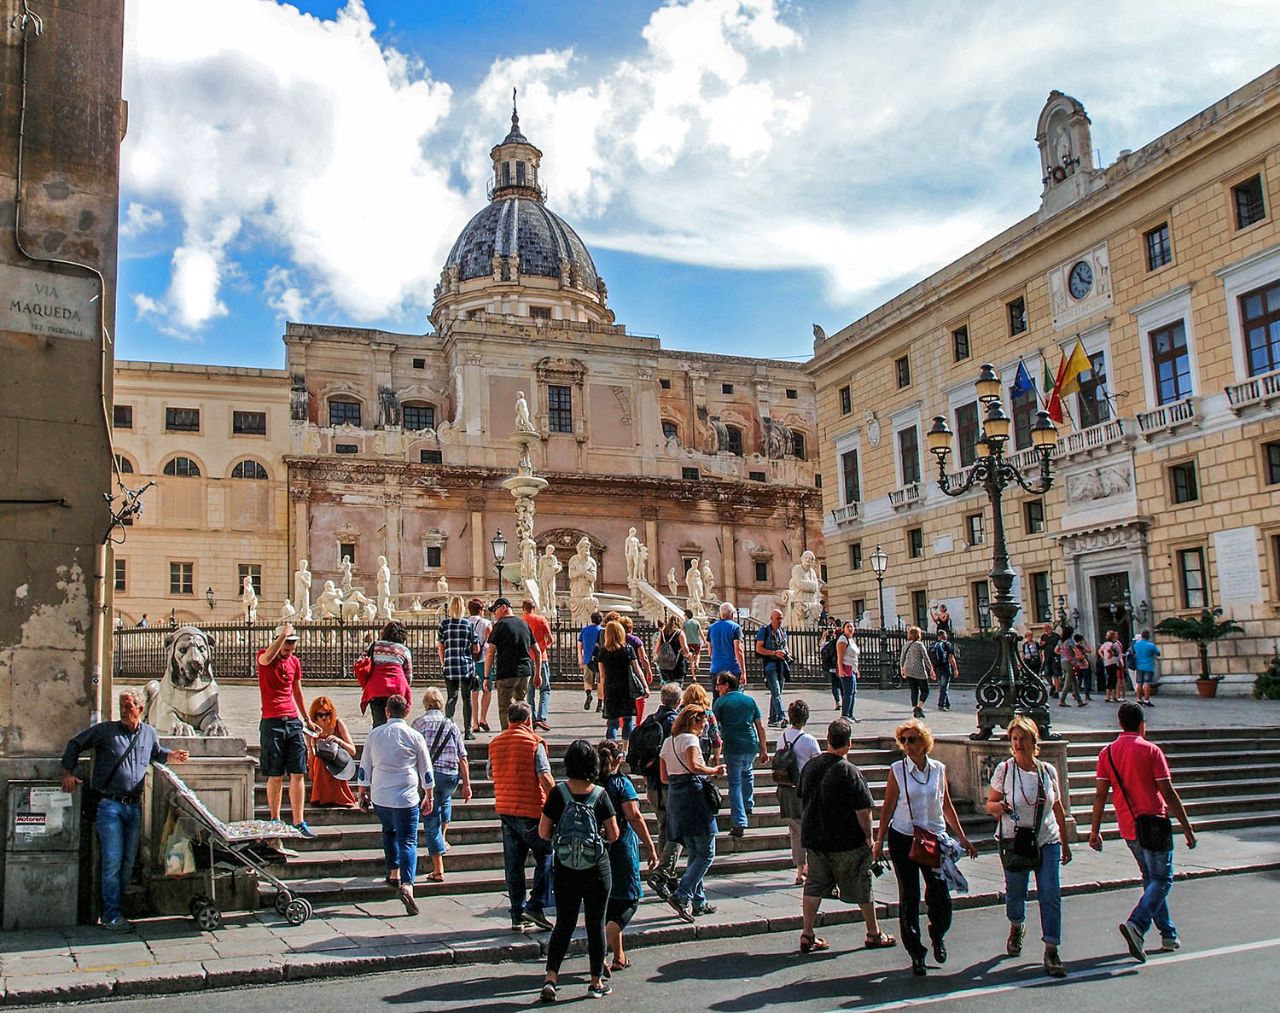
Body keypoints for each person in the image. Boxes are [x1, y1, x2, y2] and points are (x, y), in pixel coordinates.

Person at [61, 691, 189, 931]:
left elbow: (155, 753)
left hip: (134, 807)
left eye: (128, 706)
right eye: (121, 705)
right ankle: (110, 914)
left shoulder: (149, 733)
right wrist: (68, 772)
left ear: (140, 709)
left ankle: (117, 908)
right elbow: (75, 743)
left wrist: (171, 755)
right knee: (112, 861)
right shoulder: (106, 731)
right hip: (109, 806)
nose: (123, 710)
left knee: (129, 862)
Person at [1089, 701, 1196, 963]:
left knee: (1151, 879)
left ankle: (1168, 933)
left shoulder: (1107, 754)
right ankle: (1137, 924)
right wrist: (1187, 827)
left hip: (1129, 827)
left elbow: (1100, 796)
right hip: (1155, 824)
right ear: (1141, 724)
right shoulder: (1151, 751)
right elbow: (1168, 793)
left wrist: (1094, 831)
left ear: (1120, 723)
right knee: (1163, 879)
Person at [874, 719, 978, 977]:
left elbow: (946, 805)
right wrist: (879, 839)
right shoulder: (897, 770)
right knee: (908, 896)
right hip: (904, 837)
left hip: (933, 839)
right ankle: (916, 953)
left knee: (940, 895)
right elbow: (888, 806)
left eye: (912, 740)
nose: (907, 745)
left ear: (924, 743)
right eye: (904, 740)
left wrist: (962, 837)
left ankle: (937, 933)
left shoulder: (939, 769)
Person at [797, 718, 896, 954]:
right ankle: (873, 933)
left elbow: (802, 796)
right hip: (846, 840)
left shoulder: (810, 766)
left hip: (815, 837)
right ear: (849, 743)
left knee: (814, 886)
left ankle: (807, 933)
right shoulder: (850, 771)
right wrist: (869, 839)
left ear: (827, 739)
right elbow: (864, 812)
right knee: (862, 884)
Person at [985, 716, 1072, 977]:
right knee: (1015, 894)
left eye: (1023, 738)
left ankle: (1052, 948)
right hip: (1014, 841)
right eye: (1014, 739)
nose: (1019, 743)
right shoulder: (1005, 770)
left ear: (1034, 741)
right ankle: (1016, 924)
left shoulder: (1047, 771)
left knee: (1050, 894)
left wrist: (1065, 843)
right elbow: (990, 804)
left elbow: (1057, 807)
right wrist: (999, 808)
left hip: (1047, 839)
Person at [538, 740, 621, 1002]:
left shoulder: (558, 793)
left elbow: (543, 831)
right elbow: (614, 833)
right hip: (596, 867)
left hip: (565, 868)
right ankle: (595, 981)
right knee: (595, 922)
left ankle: (551, 978)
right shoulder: (600, 794)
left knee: (564, 922)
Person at [356, 694, 433, 915]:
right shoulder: (415, 736)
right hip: (407, 795)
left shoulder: (375, 735)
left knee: (388, 832)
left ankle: (393, 872)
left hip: (381, 795)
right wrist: (430, 795)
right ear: (407, 712)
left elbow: (364, 767)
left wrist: (362, 793)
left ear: (387, 712)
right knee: (408, 840)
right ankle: (408, 884)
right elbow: (425, 769)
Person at [491, 701, 556, 932]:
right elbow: (545, 777)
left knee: (514, 864)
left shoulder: (495, 743)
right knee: (547, 855)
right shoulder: (534, 743)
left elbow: (491, 772)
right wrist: (559, 802)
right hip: (531, 810)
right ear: (528, 721)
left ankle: (517, 914)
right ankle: (536, 904)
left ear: (509, 720)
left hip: (506, 810)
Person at [597, 739, 659, 973]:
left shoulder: (593, 782)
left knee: (611, 903)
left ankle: (619, 956)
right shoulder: (621, 783)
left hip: (598, 849)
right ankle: (599, 946)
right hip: (621, 846)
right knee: (631, 899)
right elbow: (634, 816)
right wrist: (651, 846)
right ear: (619, 760)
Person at [659, 708, 725, 922]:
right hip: (693, 797)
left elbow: (664, 777)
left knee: (694, 853)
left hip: (675, 798)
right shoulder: (690, 740)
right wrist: (714, 770)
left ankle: (698, 901)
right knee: (706, 853)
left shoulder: (668, 741)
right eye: (703, 721)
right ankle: (681, 894)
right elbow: (695, 766)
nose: (705, 726)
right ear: (694, 721)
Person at [257, 623, 318, 838]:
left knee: (298, 772)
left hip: (292, 721)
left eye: (292, 649)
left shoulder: (294, 662)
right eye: (286, 648)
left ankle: (298, 820)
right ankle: (275, 818)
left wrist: (307, 719)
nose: (289, 652)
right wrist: (282, 635)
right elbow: (267, 657)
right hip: (271, 721)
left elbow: (297, 691)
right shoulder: (265, 657)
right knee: (275, 774)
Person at [412, 686, 472, 882]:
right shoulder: (451, 725)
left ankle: (438, 869)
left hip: (428, 777)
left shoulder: (418, 723)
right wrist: (467, 784)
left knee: (430, 819)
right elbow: (462, 757)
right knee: (445, 800)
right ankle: (443, 839)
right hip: (450, 776)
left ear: (426, 704)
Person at [712, 671, 769, 839]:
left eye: (718, 685)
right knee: (748, 772)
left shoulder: (720, 702)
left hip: (732, 745)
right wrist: (763, 748)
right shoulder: (750, 701)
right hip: (750, 744)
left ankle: (739, 821)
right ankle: (748, 803)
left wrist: (716, 753)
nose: (717, 688)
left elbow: (715, 728)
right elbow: (760, 726)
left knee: (735, 783)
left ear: (726, 685)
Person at [643, 683, 683, 899]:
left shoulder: (650, 720)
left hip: (651, 784)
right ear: (678, 702)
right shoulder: (675, 723)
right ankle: (664, 873)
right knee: (677, 830)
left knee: (663, 828)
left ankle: (667, 873)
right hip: (669, 783)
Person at [775, 699, 821, 885]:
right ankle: (809, 868)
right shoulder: (809, 741)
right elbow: (818, 766)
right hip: (803, 790)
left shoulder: (782, 737)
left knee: (795, 831)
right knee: (807, 830)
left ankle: (800, 870)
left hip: (784, 789)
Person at [485, 598, 535, 726]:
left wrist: (486, 677)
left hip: (506, 673)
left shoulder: (500, 625)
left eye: (495, 610)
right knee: (522, 704)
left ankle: (507, 736)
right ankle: (524, 734)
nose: (494, 614)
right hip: (525, 672)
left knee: (504, 708)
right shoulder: (524, 624)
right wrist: (538, 672)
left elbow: (490, 652)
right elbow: (538, 651)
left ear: (503, 608)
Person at [595, 619, 644, 741]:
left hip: (611, 688)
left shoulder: (603, 652)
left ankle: (611, 747)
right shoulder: (627, 649)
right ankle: (626, 749)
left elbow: (602, 676)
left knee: (612, 722)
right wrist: (644, 686)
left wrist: (602, 694)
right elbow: (637, 669)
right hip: (626, 688)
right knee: (628, 719)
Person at [438, 596, 479, 737]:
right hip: (465, 665)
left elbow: (440, 647)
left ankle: (449, 728)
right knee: (466, 698)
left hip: (450, 665)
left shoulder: (444, 624)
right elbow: (476, 648)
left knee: (452, 696)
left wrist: (443, 663)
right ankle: (468, 731)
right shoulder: (469, 625)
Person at [361, 621, 413, 728]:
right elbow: (408, 674)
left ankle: (378, 742)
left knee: (378, 722)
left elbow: (361, 661)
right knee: (396, 721)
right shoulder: (403, 650)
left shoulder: (374, 646)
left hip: (376, 687)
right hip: (397, 688)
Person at [307, 695, 356, 807]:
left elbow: (352, 751)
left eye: (327, 714)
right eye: (320, 715)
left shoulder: (338, 724)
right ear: (315, 716)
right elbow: (312, 757)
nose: (324, 718)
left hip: (337, 761)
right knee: (319, 761)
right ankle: (321, 798)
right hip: (318, 764)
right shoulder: (313, 729)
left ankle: (339, 797)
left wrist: (339, 741)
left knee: (331, 762)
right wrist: (310, 744)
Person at [755, 608, 790, 728]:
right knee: (775, 691)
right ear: (772, 619)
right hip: (770, 665)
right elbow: (758, 648)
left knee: (777, 693)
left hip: (781, 665)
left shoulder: (782, 631)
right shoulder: (764, 631)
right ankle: (781, 717)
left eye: (781, 618)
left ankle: (772, 719)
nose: (780, 621)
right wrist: (774, 653)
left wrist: (785, 652)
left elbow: (785, 646)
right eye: (777, 618)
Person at [522, 599, 554, 732]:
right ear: (534, 607)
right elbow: (550, 639)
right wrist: (543, 648)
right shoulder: (542, 619)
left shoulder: (521, 621)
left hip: (526, 658)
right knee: (545, 689)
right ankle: (542, 717)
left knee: (530, 691)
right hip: (542, 658)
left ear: (524, 608)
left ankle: (533, 718)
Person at [619, 615, 653, 723]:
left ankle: (621, 722)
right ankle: (639, 721)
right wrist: (648, 671)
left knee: (623, 697)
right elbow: (643, 658)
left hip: (620, 671)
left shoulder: (617, 640)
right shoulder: (635, 640)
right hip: (635, 670)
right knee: (640, 696)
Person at [467, 598, 493, 736]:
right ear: (481, 610)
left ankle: (474, 722)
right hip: (484, 661)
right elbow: (492, 643)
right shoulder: (486, 623)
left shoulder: (465, 623)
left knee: (473, 693)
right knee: (487, 689)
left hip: (469, 661)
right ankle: (483, 718)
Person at [680, 682, 723, 766]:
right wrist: (716, 758)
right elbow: (716, 738)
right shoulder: (708, 713)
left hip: (682, 746)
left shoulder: (681, 711)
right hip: (702, 748)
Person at [899, 626, 936, 719]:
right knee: (925, 690)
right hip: (919, 669)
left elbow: (902, 658)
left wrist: (902, 669)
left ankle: (915, 708)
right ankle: (919, 707)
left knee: (914, 690)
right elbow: (926, 657)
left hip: (908, 669)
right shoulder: (919, 645)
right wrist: (931, 669)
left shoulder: (906, 644)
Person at [707, 601, 745, 685]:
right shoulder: (735, 627)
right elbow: (738, 650)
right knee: (733, 696)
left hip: (716, 668)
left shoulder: (711, 628)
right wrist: (743, 671)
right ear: (732, 614)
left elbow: (710, 651)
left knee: (717, 697)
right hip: (732, 669)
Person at [655, 614, 693, 684]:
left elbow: (657, 650)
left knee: (667, 689)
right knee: (677, 689)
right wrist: (689, 654)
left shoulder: (662, 633)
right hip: (677, 666)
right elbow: (685, 650)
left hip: (664, 667)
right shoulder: (680, 633)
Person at [579, 611, 604, 714]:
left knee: (587, 680)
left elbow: (579, 645)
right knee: (600, 681)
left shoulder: (585, 630)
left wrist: (580, 658)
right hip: (600, 660)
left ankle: (589, 694)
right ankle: (599, 704)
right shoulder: (602, 631)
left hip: (587, 658)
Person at [835, 621, 860, 721]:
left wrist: (857, 669)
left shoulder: (851, 640)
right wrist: (841, 670)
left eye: (851, 627)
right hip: (846, 669)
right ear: (843, 629)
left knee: (853, 692)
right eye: (847, 627)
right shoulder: (843, 639)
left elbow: (854, 657)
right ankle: (845, 714)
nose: (850, 629)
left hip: (852, 669)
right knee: (848, 692)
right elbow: (840, 657)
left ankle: (850, 714)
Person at [928, 630, 959, 712]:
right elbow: (951, 658)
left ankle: (947, 704)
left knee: (942, 687)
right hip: (945, 667)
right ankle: (941, 704)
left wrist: (932, 670)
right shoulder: (947, 644)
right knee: (944, 687)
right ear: (944, 635)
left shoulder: (933, 645)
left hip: (937, 668)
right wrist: (955, 669)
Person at [1131, 630, 1161, 707]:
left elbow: (1133, 652)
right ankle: (1146, 700)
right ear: (1148, 636)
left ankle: (1139, 699)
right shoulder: (1151, 645)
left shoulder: (1136, 644)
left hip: (1139, 665)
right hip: (1149, 666)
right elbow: (1158, 653)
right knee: (1147, 683)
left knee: (1139, 683)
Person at [1059, 634, 1086, 707]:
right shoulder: (1070, 641)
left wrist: (1063, 656)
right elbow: (1076, 651)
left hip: (1063, 662)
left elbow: (1056, 650)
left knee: (1074, 682)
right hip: (1069, 662)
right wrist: (1082, 659)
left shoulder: (1061, 641)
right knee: (1068, 683)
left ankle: (1079, 701)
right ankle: (1062, 700)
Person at [1099, 629, 1124, 703]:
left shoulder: (1105, 643)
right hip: (1113, 663)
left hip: (1107, 663)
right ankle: (1113, 696)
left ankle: (1109, 696)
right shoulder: (1112, 644)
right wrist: (1111, 655)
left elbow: (1099, 651)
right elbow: (1114, 652)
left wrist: (1104, 657)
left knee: (1109, 678)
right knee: (1113, 680)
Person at [1040, 623, 1062, 695]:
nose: (1045, 630)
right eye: (1044, 629)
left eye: (1046, 628)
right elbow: (1042, 648)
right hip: (1047, 658)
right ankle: (1052, 686)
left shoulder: (1056, 636)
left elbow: (1060, 646)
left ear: (1049, 628)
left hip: (1055, 657)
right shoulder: (1043, 637)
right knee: (1046, 674)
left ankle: (1056, 691)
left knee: (1056, 674)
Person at [682, 609, 703, 681]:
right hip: (697, 642)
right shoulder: (696, 622)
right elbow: (700, 633)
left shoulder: (685, 623)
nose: (684, 616)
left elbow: (682, 634)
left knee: (691, 660)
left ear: (687, 615)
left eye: (684, 615)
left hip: (688, 643)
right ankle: (697, 664)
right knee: (698, 654)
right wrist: (704, 641)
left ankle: (694, 676)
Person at [1072, 633, 1094, 701]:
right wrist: (1086, 642)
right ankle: (1087, 695)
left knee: (1079, 680)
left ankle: (1076, 693)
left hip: (1077, 665)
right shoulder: (1081, 647)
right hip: (1084, 664)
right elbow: (1089, 650)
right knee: (1086, 680)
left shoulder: (1074, 647)